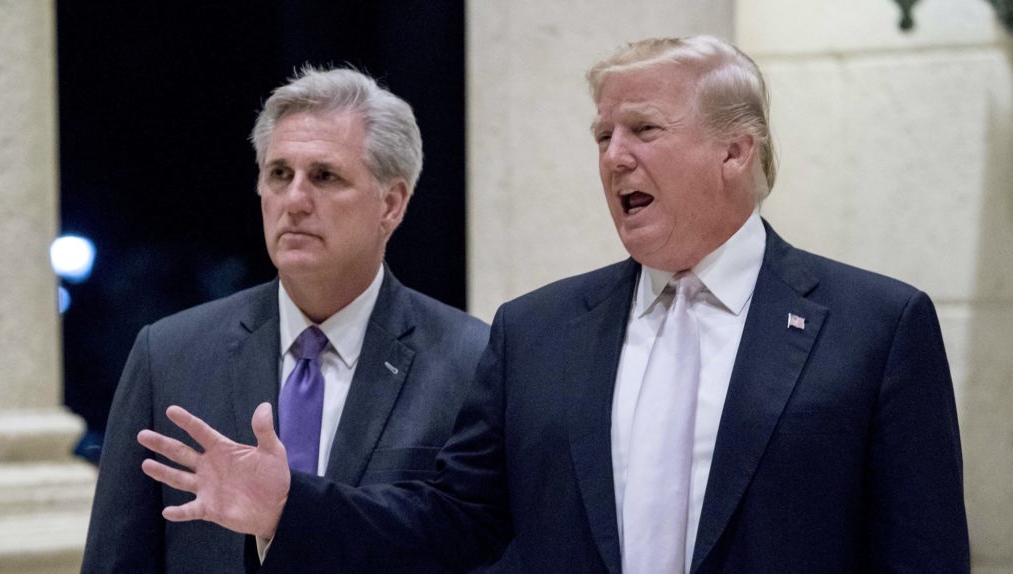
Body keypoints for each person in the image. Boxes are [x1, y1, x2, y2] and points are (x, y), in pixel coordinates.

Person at [136, 36, 970, 573]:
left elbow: (922, 555)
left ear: (734, 150)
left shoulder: (874, 326)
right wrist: (293, 507)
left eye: (642, 130)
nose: (613, 157)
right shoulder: (539, 331)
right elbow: (450, 525)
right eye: (601, 136)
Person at [81, 66, 490, 573]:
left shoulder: (473, 360)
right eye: (279, 174)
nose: (295, 200)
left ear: (391, 204)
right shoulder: (169, 355)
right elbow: (116, 560)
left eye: (325, 176)